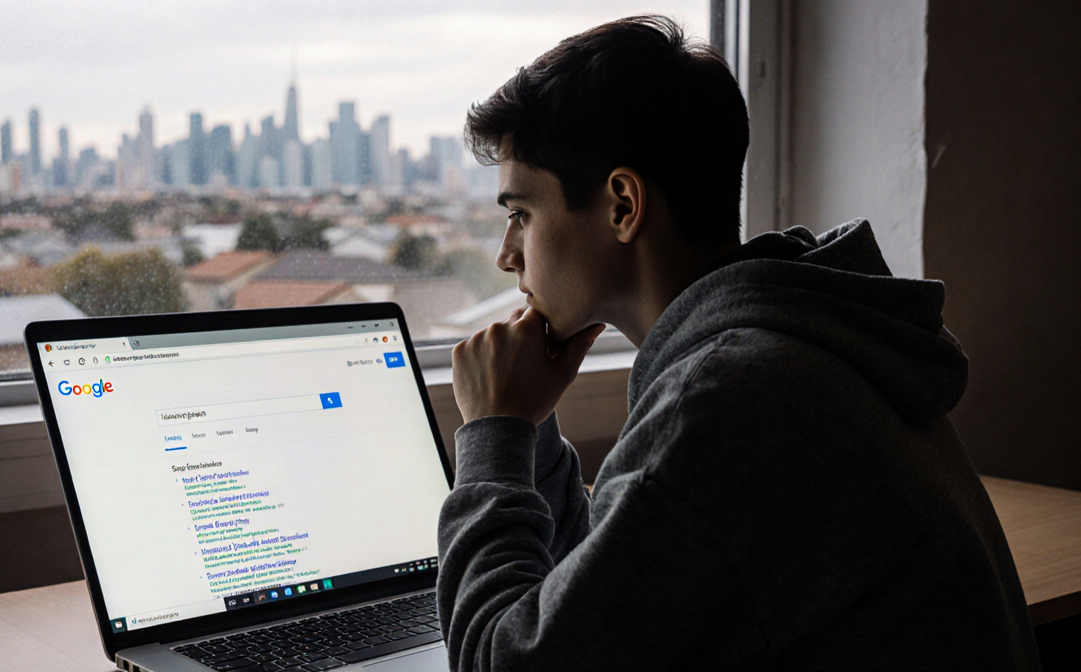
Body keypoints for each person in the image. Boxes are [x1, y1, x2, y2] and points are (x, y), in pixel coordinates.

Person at [437, 15, 1040, 672]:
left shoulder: (727, 402)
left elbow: (506, 664)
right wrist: (529, 426)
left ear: (621, 205)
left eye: (520, 214)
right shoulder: (800, 345)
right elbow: (609, 601)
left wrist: (494, 435)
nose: (505, 255)